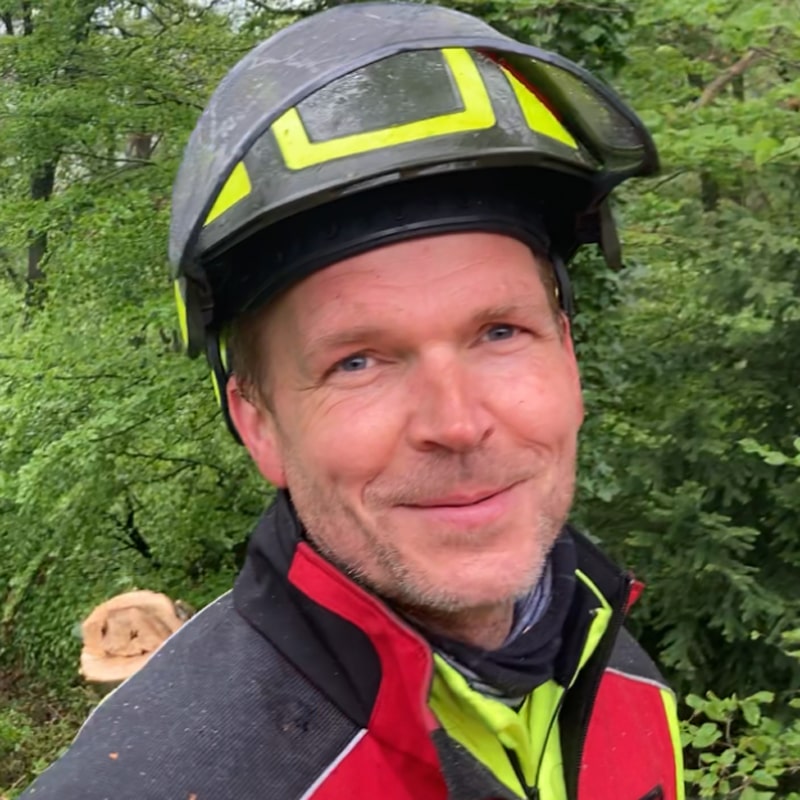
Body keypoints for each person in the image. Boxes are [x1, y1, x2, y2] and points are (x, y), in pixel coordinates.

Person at [21, 3, 684, 799]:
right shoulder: (154, 782)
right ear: (258, 424)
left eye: (500, 332)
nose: (457, 422)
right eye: (358, 362)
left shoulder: (625, 681)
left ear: (567, 357)